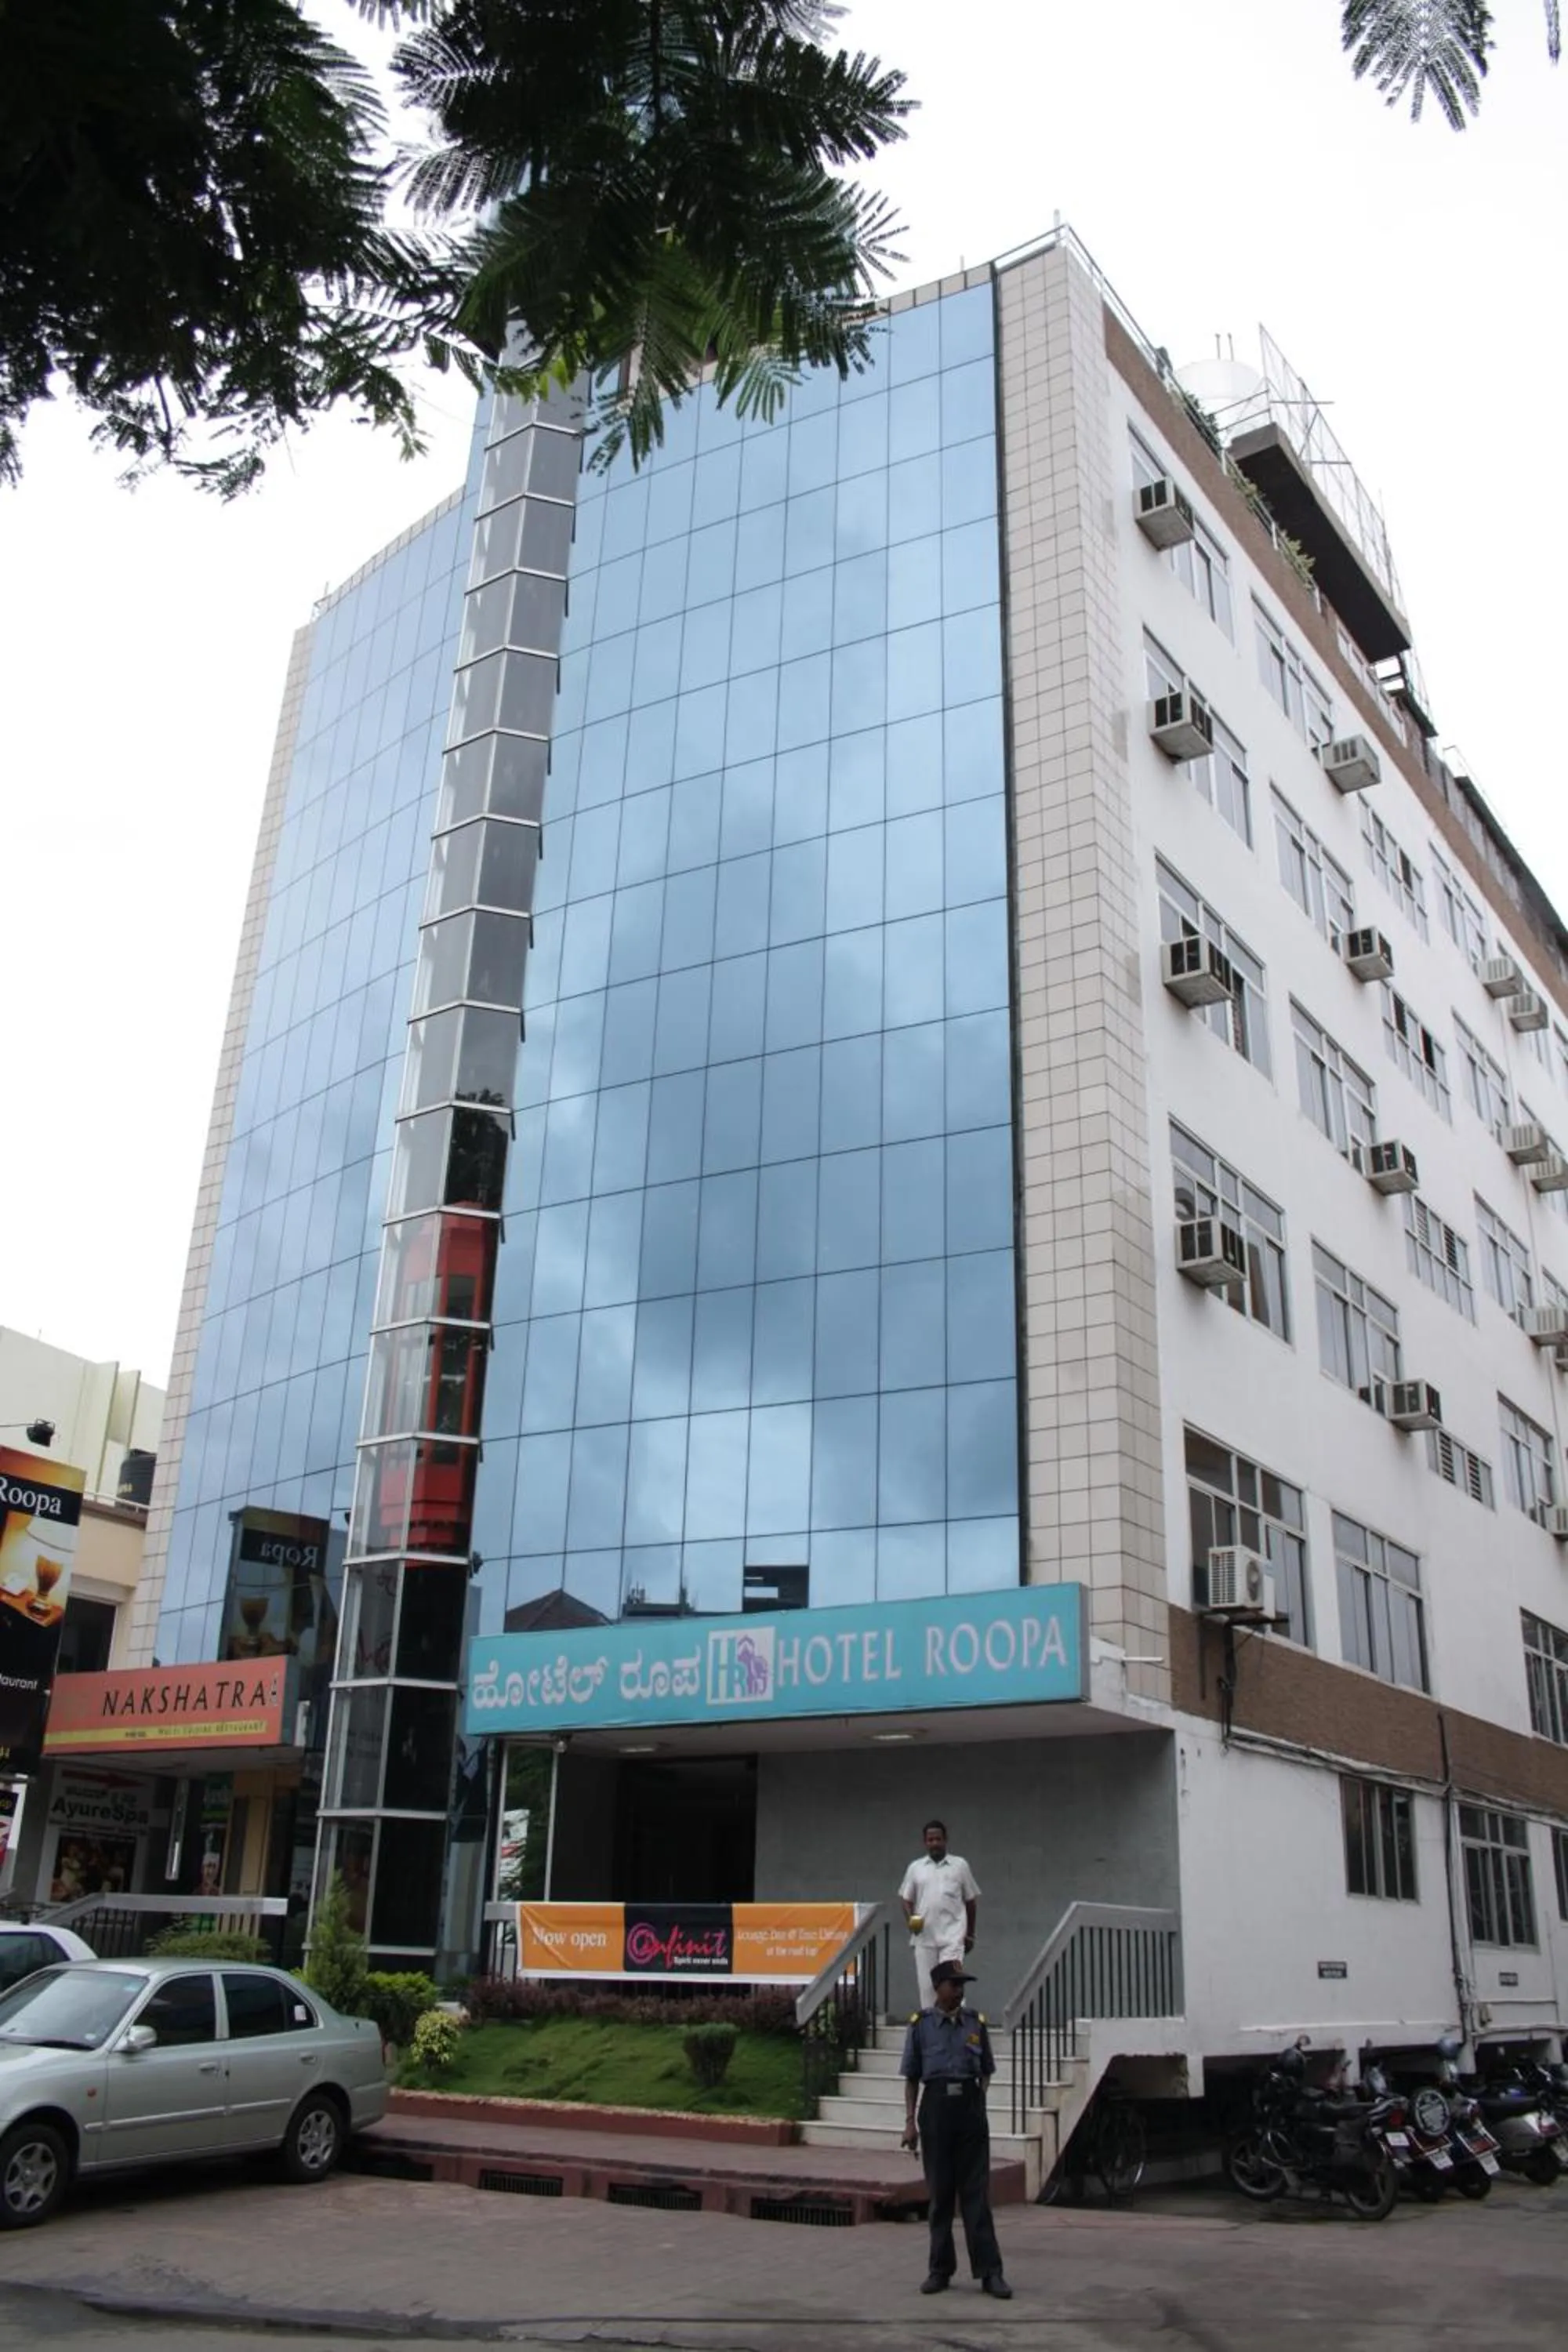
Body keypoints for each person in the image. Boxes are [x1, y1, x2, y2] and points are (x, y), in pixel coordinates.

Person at [900, 1961, 1011, 2299]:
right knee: (941, 2194)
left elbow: (986, 2069)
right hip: (936, 2110)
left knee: (976, 2194)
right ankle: (940, 2269)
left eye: (962, 1985)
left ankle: (990, 2272)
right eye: (954, 1985)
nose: (960, 1991)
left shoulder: (975, 2023)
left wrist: (977, 2101)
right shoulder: (921, 2026)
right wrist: (909, 2122)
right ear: (938, 1987)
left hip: (969, 2109)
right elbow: (911, 2078)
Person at [898, 1818, 979, 2009]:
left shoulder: (960, 1866)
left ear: (945, 1840)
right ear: (925, 1842)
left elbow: (971, 1901)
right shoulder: (915, 1868)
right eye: (930, 1840)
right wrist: (911, 1920)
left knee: (951, 1985)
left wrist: (970, 1934)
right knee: (928, 1988)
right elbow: (905, 1899)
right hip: (924, 1938)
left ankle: (958, 2023)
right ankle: (930, 2024)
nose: (935, 1843)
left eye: (938, 1839)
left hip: (953, 1937)